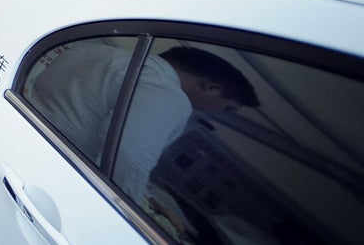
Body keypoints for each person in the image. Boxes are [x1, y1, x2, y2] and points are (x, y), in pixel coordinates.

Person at [30, 40, 258, 204]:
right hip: (54, 178)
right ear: (212, 88)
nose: (217, 112)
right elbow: (127, 161)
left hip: (26, 138)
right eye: (227, 107)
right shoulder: (168, 94)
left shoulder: (96, 51)